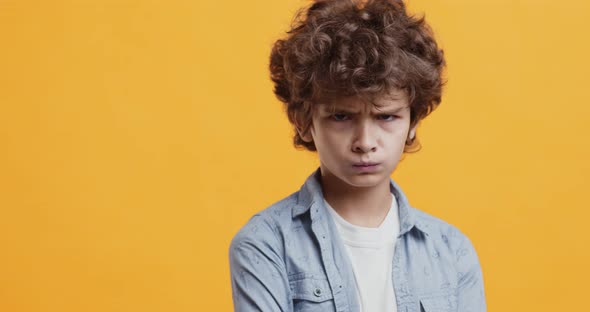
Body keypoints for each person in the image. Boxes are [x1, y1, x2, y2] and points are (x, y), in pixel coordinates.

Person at [229, 0, 486, 311]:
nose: (365, 142)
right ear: (304, 122)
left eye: (386, 117)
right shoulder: (266, 244)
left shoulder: (451, 251)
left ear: (413, 121)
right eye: (341, 117)